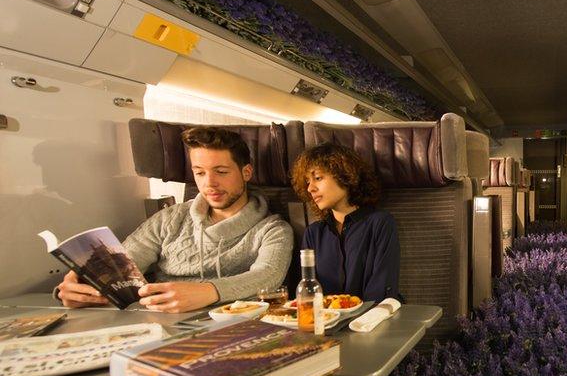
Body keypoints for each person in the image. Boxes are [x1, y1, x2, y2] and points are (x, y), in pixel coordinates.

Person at [56, 127, 294, 312]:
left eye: (221, 172)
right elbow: (123, 265)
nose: (209, 183)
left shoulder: (272, 229)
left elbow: (267, 276)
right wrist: (78, 288)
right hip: (155, 317)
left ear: (246, 173)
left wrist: (208, 292)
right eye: (200, 173)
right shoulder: (170, 219)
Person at [292, 142, 400, 302]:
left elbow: (381, 292)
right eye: (308, 181)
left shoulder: (380, 224)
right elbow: (308, 294)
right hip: (325, 322)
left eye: (318, 178)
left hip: (371, 321)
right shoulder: (313, 233)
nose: (310, 188)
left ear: (344, 175)